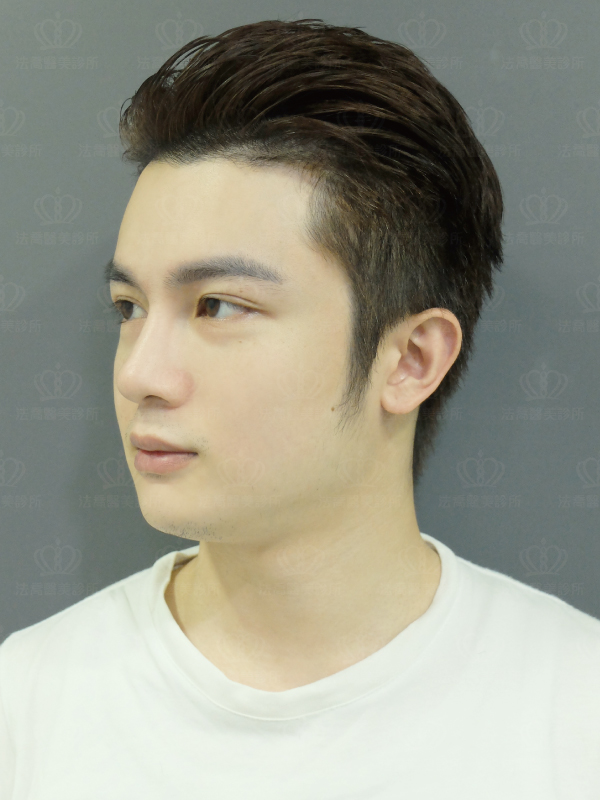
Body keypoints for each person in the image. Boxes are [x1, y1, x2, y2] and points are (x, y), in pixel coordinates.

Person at [1, 19, 598, 799]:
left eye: (218, 306)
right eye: (129, 307)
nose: (140, 373)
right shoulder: (27, 710)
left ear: (410, 360)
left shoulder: (573, 713)